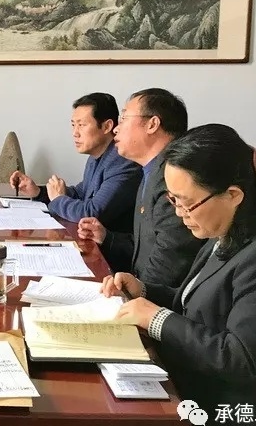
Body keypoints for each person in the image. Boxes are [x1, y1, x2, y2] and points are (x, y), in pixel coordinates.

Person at [101, 124, 256, 426]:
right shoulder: (228, 232)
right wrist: (143, 291)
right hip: (203, 385)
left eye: (187, 203)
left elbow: (242, 359)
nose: (179, 214)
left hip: (245, 413)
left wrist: (157, 319)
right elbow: (198, 303)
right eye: (173, 200)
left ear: (233, 195)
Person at [77, 88, 204, 288]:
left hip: (158, 299)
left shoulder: (174, 179)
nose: (116, 129)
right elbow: (146, 246)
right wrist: (107, 237)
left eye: (124, 119)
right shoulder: (150, 171)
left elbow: (170, 263)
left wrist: (134, 293)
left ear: (152, 124)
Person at [10, 92, 141, 232]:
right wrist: (37, 192)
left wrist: (58, 199)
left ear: (107, 126)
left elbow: (91, 213)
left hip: (110, 244)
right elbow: (80, 194)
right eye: (73, 125)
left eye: (82, 125)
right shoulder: (96, 157)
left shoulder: (122, 162)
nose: (75, 133)